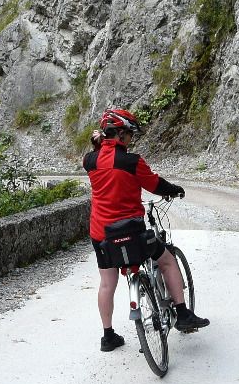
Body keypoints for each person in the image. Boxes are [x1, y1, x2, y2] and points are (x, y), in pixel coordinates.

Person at [83, 108, 210, 352]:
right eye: (129, 134)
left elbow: (101, 156)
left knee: (107, 284)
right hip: (132, 233)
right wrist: (174, 189)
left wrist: (99, 145)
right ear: (120, 134)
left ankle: (108, 337)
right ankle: (182, 314)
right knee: (167, 261)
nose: (131, 139)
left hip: (102, 235)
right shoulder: (132, 162)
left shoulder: (89, 161)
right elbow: (154, 184)